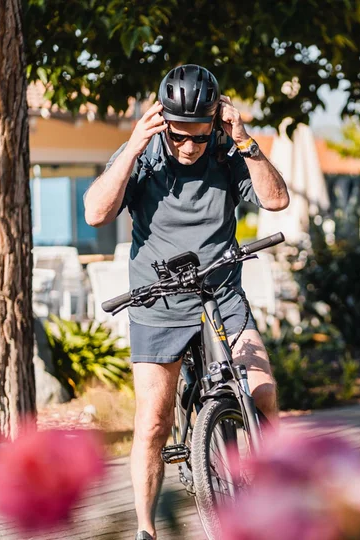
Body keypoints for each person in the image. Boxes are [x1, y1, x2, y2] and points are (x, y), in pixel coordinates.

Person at [83, 64, 289, 540]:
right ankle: (145, 530)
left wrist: (244, 139)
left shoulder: (227, 150)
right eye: (179, 137)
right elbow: (95, 212)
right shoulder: (146, 153)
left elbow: (276, 201)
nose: (189, 147)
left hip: (221, 295)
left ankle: (277, 493)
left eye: (199, 135)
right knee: (153, 421)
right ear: (162, 122)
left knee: (263, 392)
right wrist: (135, 145)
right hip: (158, 302)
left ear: (216, 120)